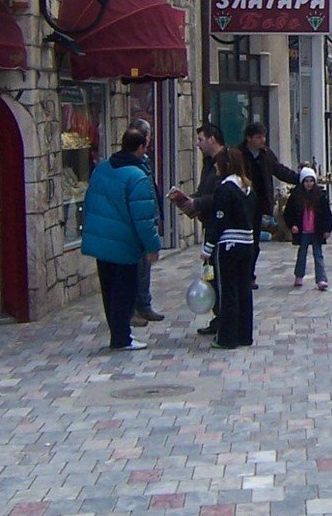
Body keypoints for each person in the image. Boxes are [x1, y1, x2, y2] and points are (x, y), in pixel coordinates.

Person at [80, 128, 160, 351]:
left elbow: (89, 201)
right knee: (124, 291)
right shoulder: (137, 176)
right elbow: (143, 218)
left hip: (101, 241)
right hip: (124, 244)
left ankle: (117, 333)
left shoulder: (103, 168)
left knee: (109, 290)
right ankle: (122, 337)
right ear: (141, 148)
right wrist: (152, 246)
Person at [169, 123, 226, 338]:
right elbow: (206, 192)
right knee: (210, 274)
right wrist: (188, 199)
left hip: (220, 229)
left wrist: (198, 202)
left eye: (201, 139)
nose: (198, 144)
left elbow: (223, 196)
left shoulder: (225, 162)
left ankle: (224, 316)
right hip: (209, 225)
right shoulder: (208, 164)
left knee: (218, 274)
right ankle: (218, 315)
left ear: (212, 139)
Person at [201, 145, 257, 350]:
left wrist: (207, 248)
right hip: (247, 243)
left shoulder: (225, 189)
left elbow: (218, 220)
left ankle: (226, 337)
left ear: (225, 165)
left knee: (228, 291)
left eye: (218, 164)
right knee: (244, 289)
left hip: (228, 245)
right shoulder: (248, 189)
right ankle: (244, 334)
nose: (215, 168)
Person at [240, 120, 300, 287]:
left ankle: (249, 275)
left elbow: (279, 170)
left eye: (264, 137)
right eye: (259, 137)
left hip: (259, 203)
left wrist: (298, 178)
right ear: (249, 138)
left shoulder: (266, 154)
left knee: (255, 242)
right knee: (244, 241)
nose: (263, 140)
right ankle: (243, 275)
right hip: (242, 204)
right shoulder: (238, 154)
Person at [125, 118, 167, 327]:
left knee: (145, 267)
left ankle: (144, 304)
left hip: (148, 216)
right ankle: (132, 309)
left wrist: (158, 214)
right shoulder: (130, 164)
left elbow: (151, 188)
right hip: (136, 223)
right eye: (148, 136)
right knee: (135, 267)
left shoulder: (145, 161)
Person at [285, 166, 332, 290]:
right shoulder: (296, 196)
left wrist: (327, 229)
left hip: (316, 230)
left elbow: (327, 214)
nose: (309, 184)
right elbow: (288, 213)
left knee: (318, 255)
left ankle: (321, 279)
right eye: (306, 181)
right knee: (301, 254)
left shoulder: (320, 196)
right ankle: (299, 275)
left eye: (311, 181)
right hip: (303, 231)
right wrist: (292, 225)